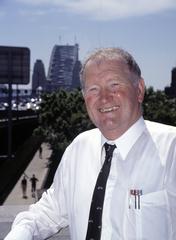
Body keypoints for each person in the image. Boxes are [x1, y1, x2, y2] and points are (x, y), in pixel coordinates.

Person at [5, 47, 176, 240]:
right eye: (93, 89)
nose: (104, 97)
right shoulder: (79, 147)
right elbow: (48, 211)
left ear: (139, 90)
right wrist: (20, 234)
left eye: (114, 85)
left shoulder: (172, 149)